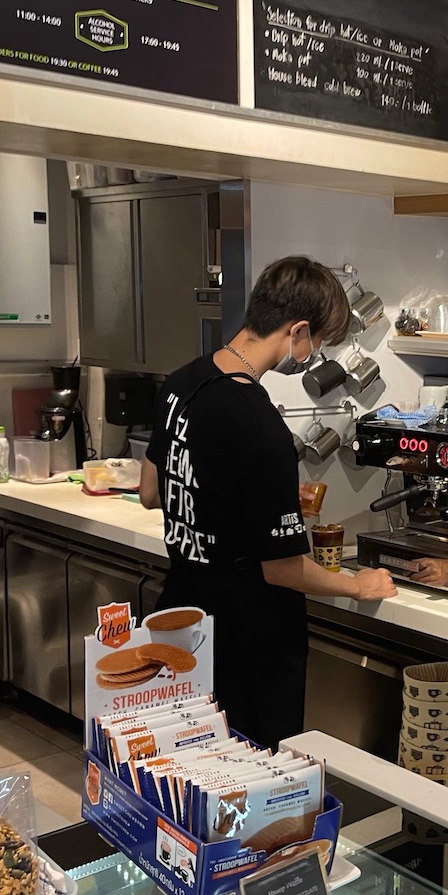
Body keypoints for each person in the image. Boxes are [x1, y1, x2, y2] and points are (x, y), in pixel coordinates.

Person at [140, 255, 397, 747]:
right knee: (247, 785)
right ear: (297, 330)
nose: (313, 353)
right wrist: (356, 585)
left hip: (180, 617)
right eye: (317, 341)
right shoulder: (259, 424)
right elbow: (282, 569)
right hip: (244, 640)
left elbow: (153, 491)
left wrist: (257, 502)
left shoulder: (180, 384)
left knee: (181, 770)